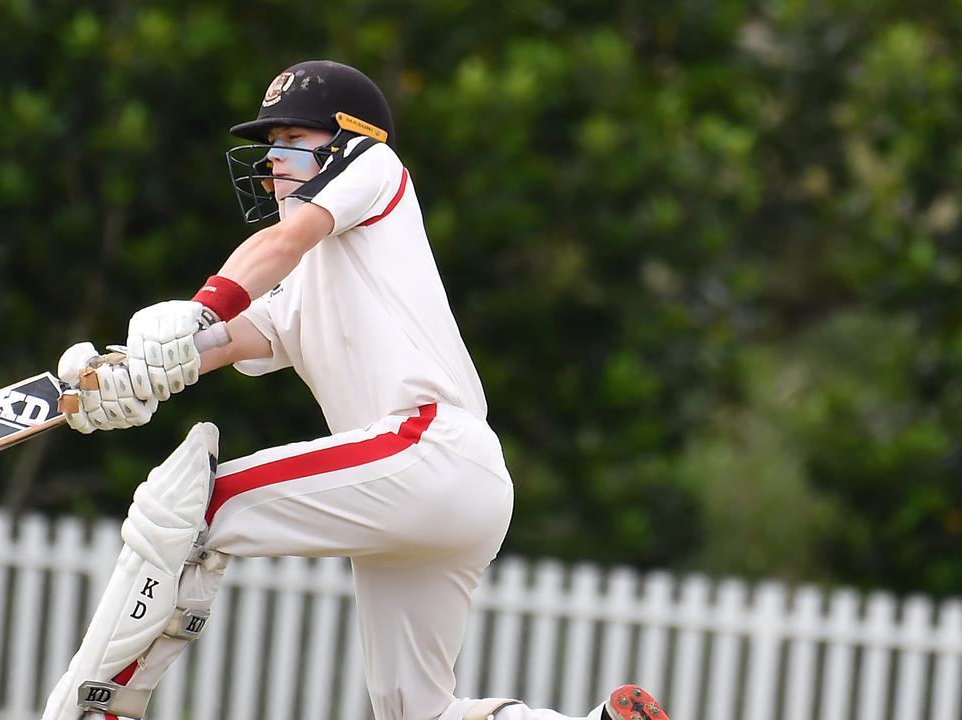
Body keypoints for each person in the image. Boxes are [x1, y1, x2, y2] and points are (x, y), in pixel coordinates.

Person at [45, 60, 670, 720]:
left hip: (429, 448)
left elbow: (275, 250)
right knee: (419, 713)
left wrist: (201, 305)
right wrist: (121, 376)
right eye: (270, 145)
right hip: (457, 490)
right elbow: (218, 343)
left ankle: (101, 705)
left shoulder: (374, 168)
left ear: (346, 140)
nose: (273, 161)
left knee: (198, 505)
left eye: (291, 139)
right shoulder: (301, 286)